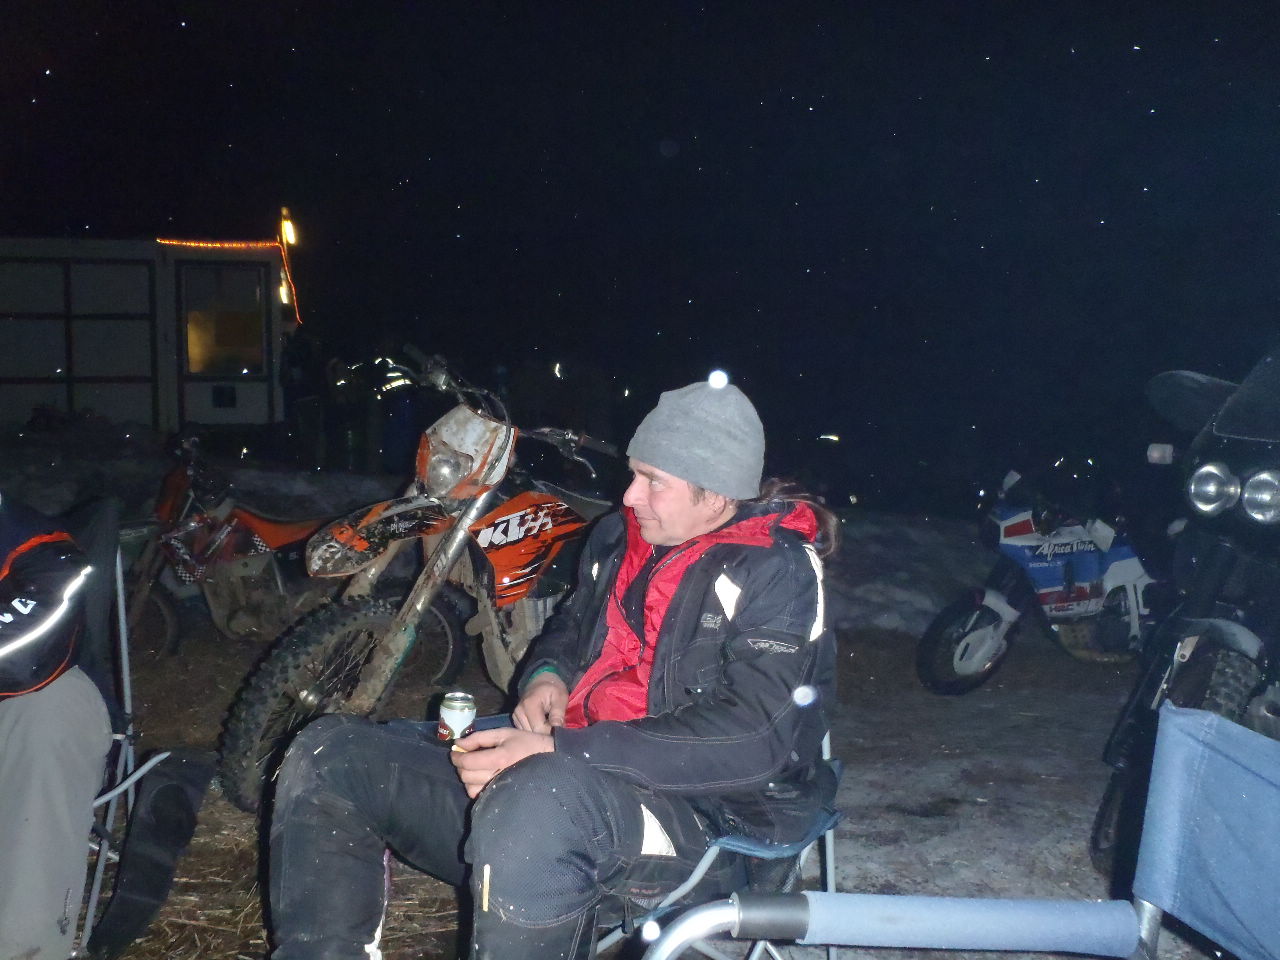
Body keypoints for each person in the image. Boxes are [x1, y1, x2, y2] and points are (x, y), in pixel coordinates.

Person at [267, 375, 839, 959]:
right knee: (333, 753)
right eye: (633, 473)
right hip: (570, 775)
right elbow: (570, 626)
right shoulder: (620, 539)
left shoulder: (777, 572)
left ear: (715, 494)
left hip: (714, 822)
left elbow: (752, 742)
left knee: (538, 803)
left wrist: (558, 751)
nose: (629, 496)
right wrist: (548, 676)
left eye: (653, 481)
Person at [0, 491, 113, 960]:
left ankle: (25, 946)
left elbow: (31, 647)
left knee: (49, 713)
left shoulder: (30, 541)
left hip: (27, 701)